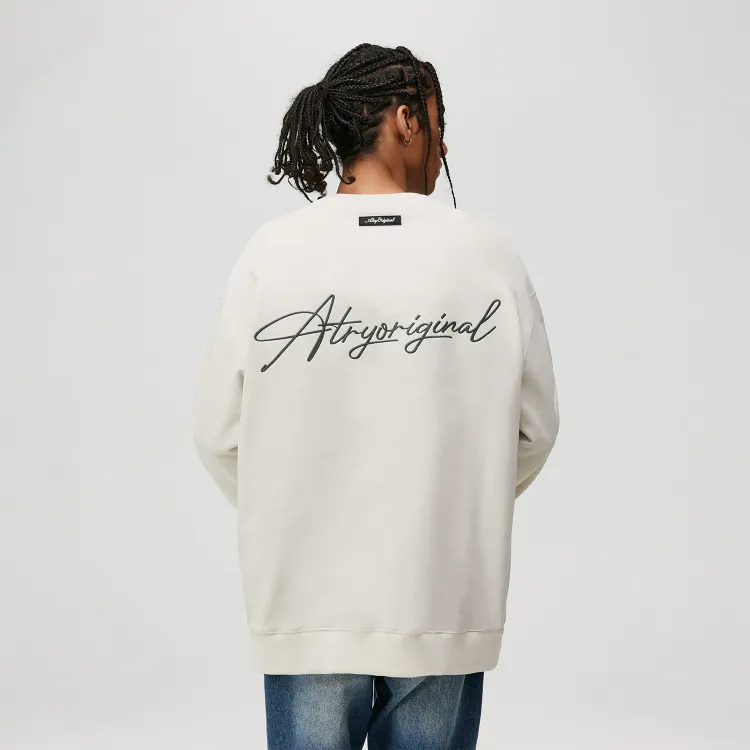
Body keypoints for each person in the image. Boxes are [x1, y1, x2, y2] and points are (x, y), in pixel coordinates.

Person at [192, 43, 559, 750]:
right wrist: (456, 502)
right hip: (444, 597)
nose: (444, 146)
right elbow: (536, 430)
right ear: (405, 120)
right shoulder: (487, 256)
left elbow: (216, 432)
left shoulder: (272, 254)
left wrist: (297, 510)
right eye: (438, 123)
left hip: (306, 605)